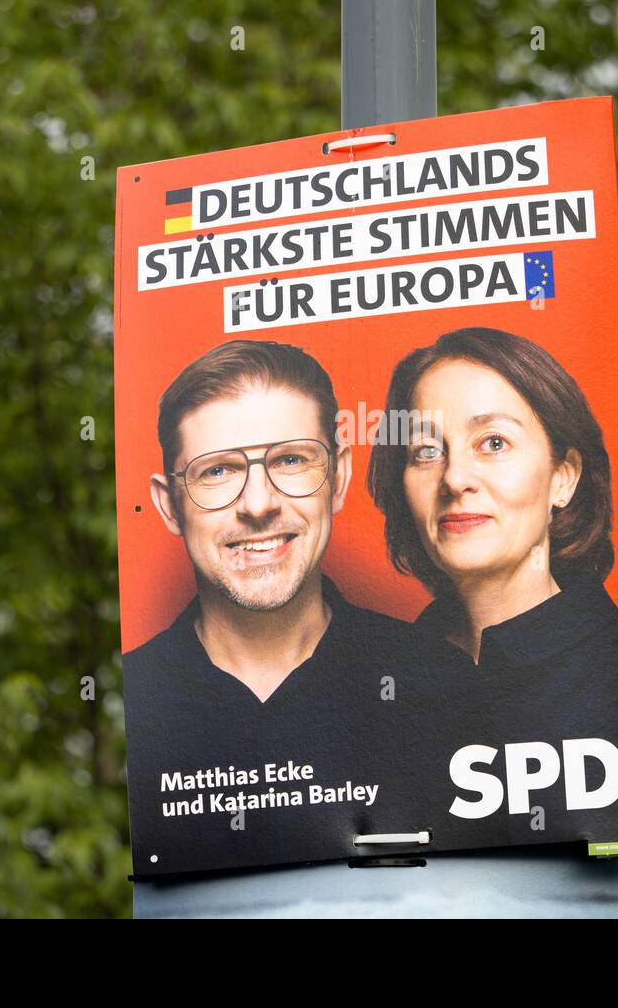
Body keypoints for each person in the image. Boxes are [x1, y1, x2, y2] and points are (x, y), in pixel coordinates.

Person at [123, 339, 459, 877]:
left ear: (340, 477)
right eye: (218, 471)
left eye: (292, 459)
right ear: (169, 505)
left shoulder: (447, 682)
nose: (258, 504)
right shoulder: (124, 703)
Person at [367, 326, 618, 849]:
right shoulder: (365, 691)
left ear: (563, 477)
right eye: (425, 452)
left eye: (494, 443)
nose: (455, 478)